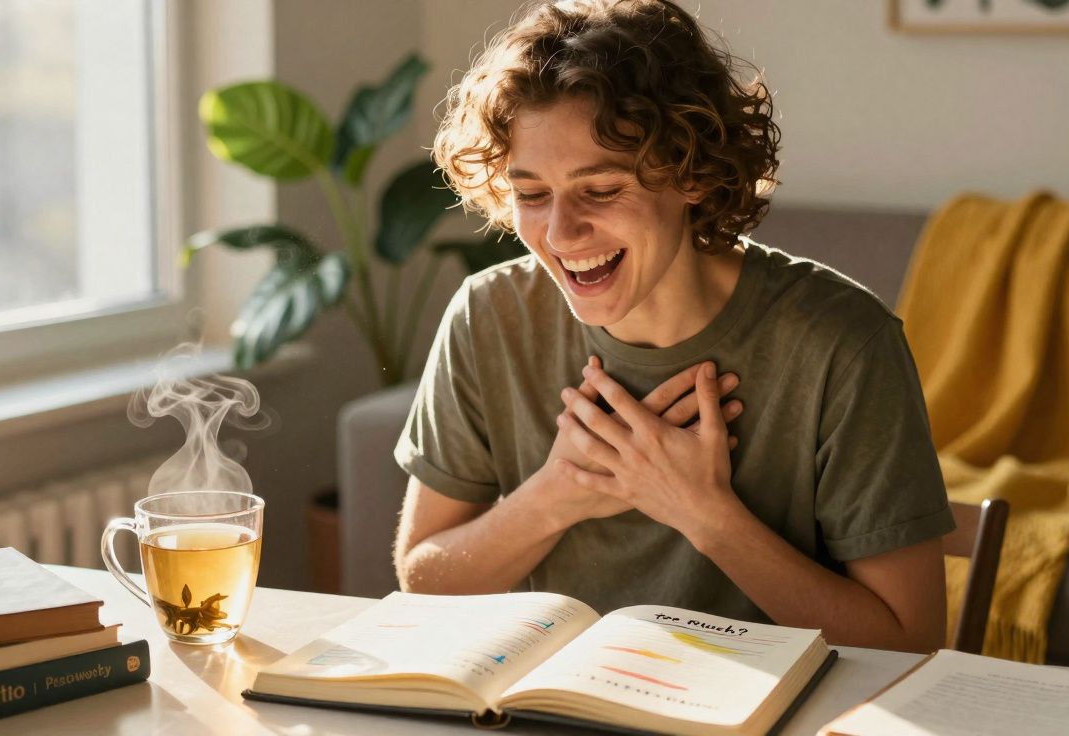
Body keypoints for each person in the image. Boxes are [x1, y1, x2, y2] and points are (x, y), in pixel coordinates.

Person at [392, 0, 954, 653]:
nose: (559, 233)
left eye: (600, 190)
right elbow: (422, 581)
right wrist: (557, 494)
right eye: (532, 194)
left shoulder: (843, 343)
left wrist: (704, 514)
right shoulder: (488, 316)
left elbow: (909, 644)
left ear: (691, 173)